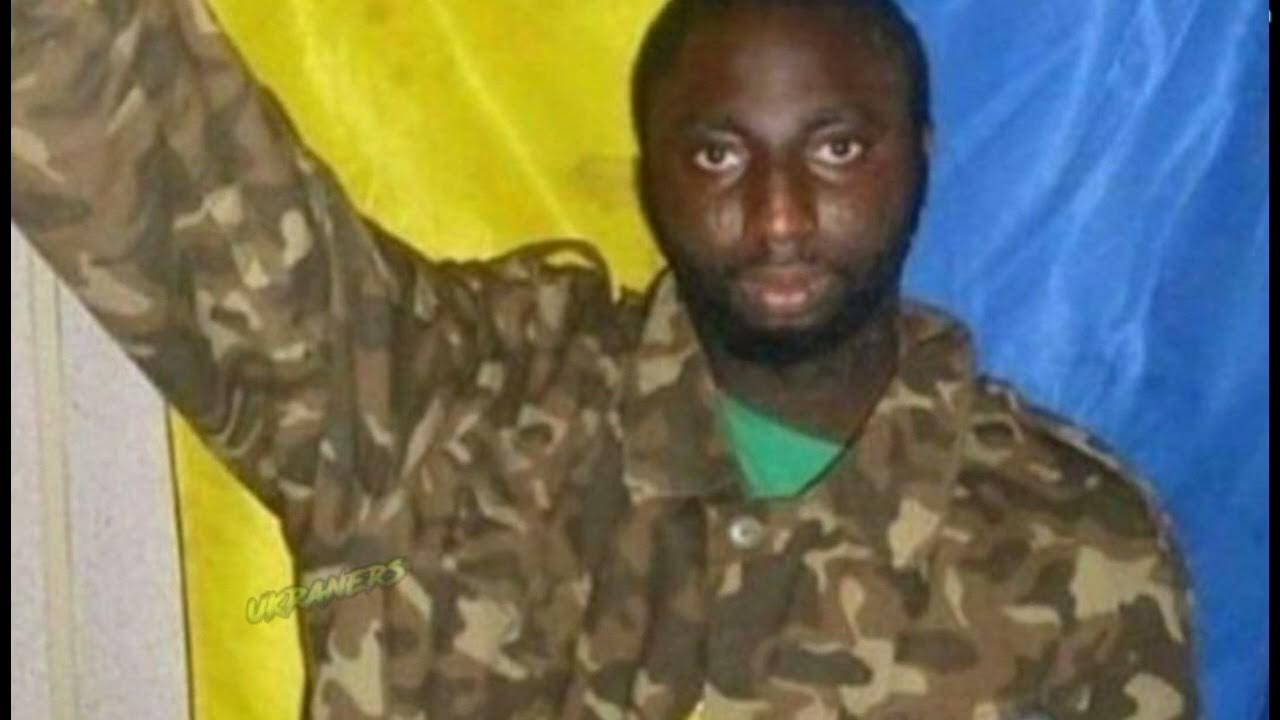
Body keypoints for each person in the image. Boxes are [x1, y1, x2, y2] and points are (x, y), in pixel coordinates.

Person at [11, 0, 1199, 717]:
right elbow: (152, 151)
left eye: (836, 148)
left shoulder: (1072, 549)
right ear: (647, 174)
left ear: (920, 154)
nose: (779, 216)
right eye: (718, 155)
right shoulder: (441, 413)